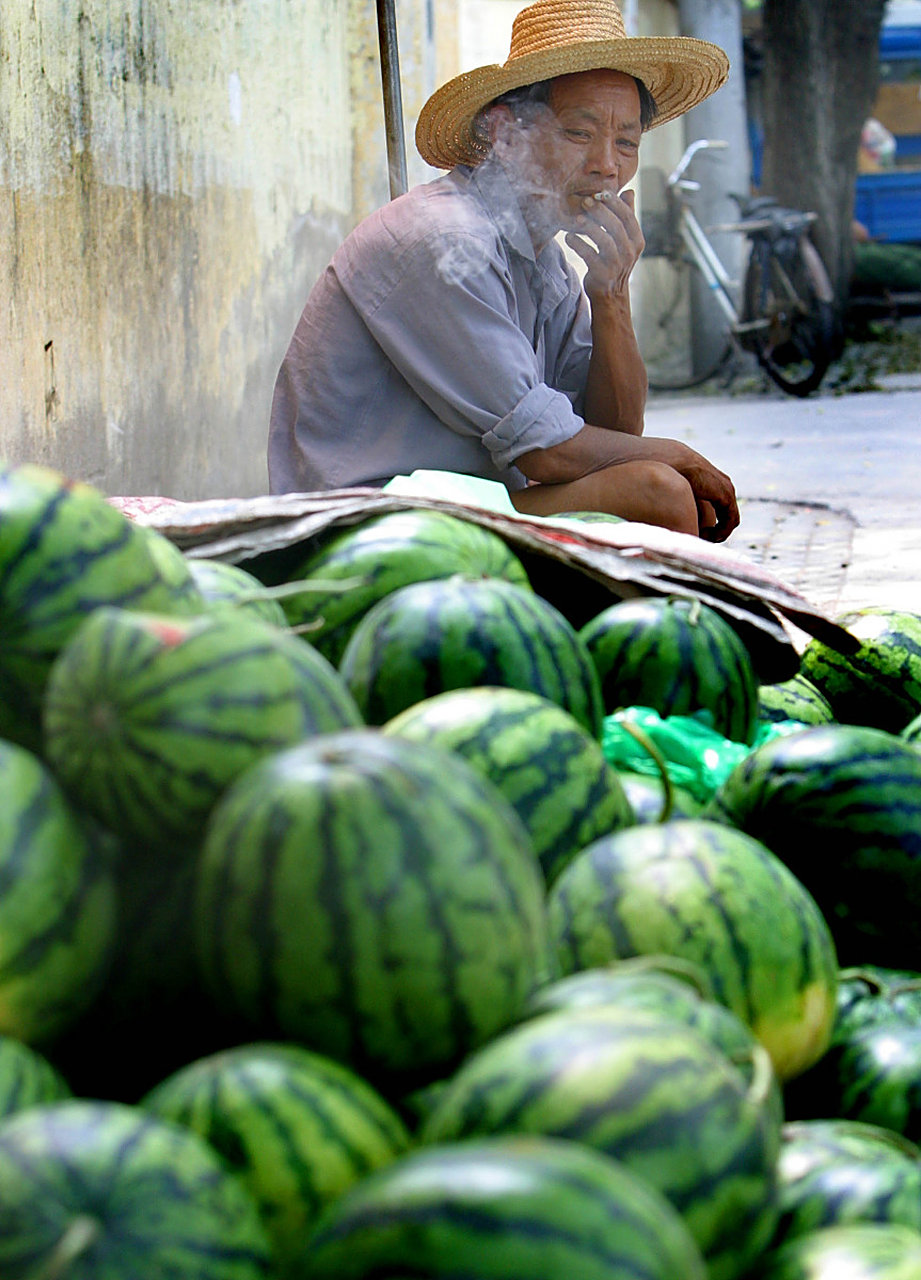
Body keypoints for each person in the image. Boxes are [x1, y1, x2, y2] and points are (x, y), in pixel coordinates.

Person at [268, 0, 740, 541]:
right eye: (579, 134)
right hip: (366, 520)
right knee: (658, 493)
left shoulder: (546, 263)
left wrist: (612, 295)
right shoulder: (446, 238)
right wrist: (680, 456)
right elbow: (549, 453)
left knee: (659, 488)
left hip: (458, 503)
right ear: (506, 135)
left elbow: (611, 434)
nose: (607, 165)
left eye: (626, 142)